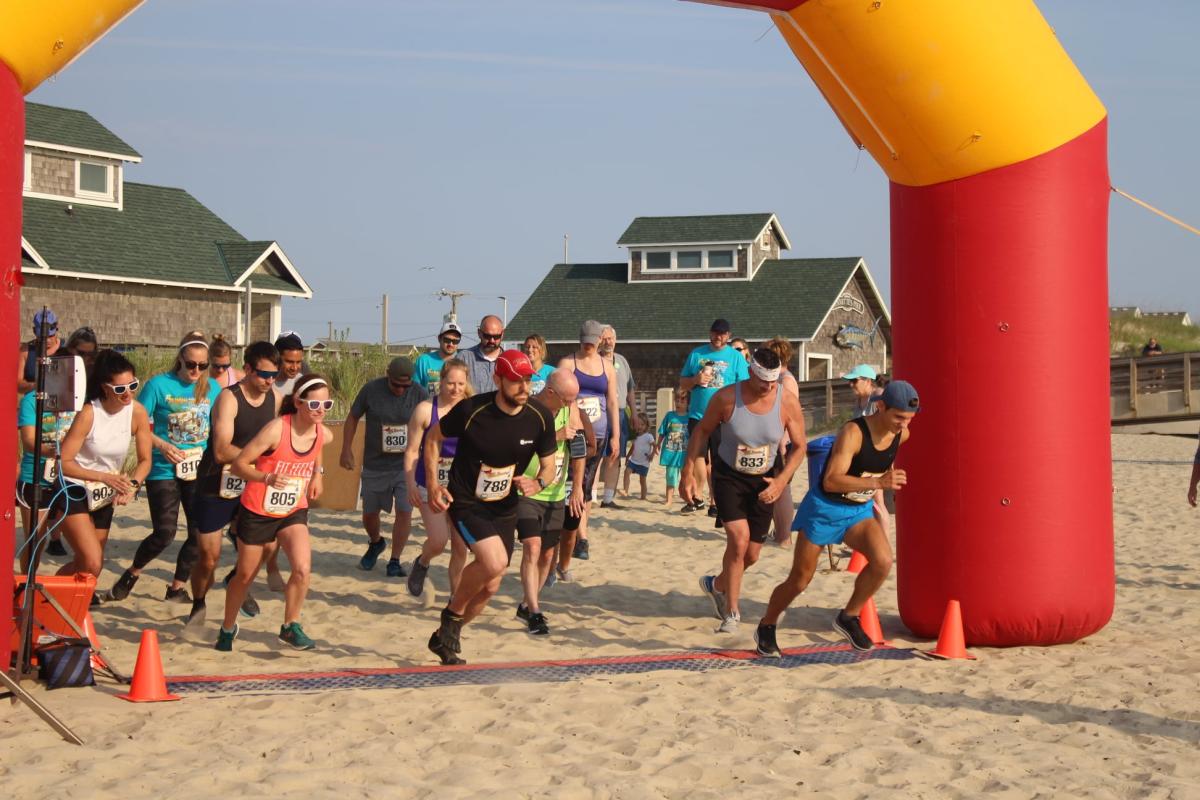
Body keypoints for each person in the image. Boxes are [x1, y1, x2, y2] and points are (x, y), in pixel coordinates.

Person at [754, 381, 919, 656]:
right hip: (825, 509)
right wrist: (878, 483)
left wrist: (879, 482)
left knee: (883, 562)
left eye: (909, 419)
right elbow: (830, 481)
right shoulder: (853, 432)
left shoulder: (901, 435)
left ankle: (848, 616)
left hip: (858, 511)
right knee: (799, 580)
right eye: (898, 417)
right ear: (881, 407)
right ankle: (767, 625)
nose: (903, 424)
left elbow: (878, 463)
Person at [424, 350, 557, 665]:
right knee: (495, 562)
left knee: (491, 586)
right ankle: (452, 615)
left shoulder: (539, 417)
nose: (524, 387)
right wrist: (432, 484)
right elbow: (433, 438)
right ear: (498, 379)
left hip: (505, 505)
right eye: (515, 381)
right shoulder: (472, 410)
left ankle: (444, 638)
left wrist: (538, 483)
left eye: (527, 380)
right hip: (466, 500)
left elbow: (549, 468)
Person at [685, 348, 808, 633]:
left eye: (774, 381)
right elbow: (701, 431)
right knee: (738, 542)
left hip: (764, 480)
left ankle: (716, 585)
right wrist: (687, 472)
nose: (768, 387)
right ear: (751, 372)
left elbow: (800, 447)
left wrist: (781, 481)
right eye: (764, 380)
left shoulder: (786, 402)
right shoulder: (727, 398)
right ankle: (732, 612)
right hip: (729, 476)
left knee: (752, 554)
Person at [218, 374, 333, 652]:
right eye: (314, 405)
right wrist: (265, 478)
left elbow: (319, 445)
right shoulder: (275, 430)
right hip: (258, 510)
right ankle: (228, 626)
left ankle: (290, 626)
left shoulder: (322, 432)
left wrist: (317, 474)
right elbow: (238, 466)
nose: (320, 411)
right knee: (245, 575)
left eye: (326, 405)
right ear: (298, 402)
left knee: (303, 568)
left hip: (292, 510)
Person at [107, 331, 221, 604]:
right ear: (179, 359)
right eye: (191, 364)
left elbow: (219, 426)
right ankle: (132, 574)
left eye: (202, 366)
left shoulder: (213, 388)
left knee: (199, 532)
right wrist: (161, 445)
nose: (196, 371)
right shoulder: (158, 385)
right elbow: (137, 425)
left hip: (196, 469)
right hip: (162, 469)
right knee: (165, 533)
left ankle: (176, 587)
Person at [186, 341, 283, 628]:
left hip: (251, 482)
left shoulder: (275, 398)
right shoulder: (229, 398)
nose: (269, 381)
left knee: (267, 547)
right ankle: (198, 602)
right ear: (248, 369)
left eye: (274, 375)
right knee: (208, 556)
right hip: (216, 482)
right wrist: (253, 462)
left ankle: (235, 580)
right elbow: (220, 450)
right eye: (263, 374)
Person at [56, 350, 152, 578]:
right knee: (92, 560)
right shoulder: (89, 413)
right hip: (74, 487)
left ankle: (66, 604)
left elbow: (145, 460)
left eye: (133, 385)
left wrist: (133, 485)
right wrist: (103, 477)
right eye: (120, 389)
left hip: (104, 492)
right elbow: (64, 463)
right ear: (104, 387)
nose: (128, 393)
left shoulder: (137, 412)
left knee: (90, 568)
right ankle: (50, 598)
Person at [514, 368, 590, 635]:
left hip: (556, 491)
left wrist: (578, 488)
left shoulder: (571, 410)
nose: (571, 404)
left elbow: (578, 450)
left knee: (547, 553)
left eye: (574, 399)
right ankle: (535, 611)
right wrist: (555, 436)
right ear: (549, 392)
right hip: (527, 489)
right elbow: (517, 444)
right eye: (567, 399)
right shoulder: (527, 411)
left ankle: (526, 603)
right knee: (532, 547)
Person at [341, 357, 429, 577]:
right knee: (370, 514)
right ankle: (376, 542)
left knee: (404, 510)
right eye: (396, 385)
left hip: (406, 466)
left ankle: (395, 560)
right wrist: (346, 448)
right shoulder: (371, 390)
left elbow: (432, 424)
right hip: (375, 463)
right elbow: (352, 417)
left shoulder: (419, 393)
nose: (400, 389)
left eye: (404, 386)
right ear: (387, 376)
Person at [404, 359, 472, 599]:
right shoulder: (425, 410)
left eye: (460, 384)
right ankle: (422, 562)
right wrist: (411, 483)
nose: (455, 389)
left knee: (460, 546)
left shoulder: (471, 409)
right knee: (438, 540)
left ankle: (455, 598)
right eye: (451, 383)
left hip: (461, 486)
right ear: (440, 382)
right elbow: (412, 450)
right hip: (428, 482)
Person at [556, 320, 619, 569]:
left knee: (588, 483)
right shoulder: (568, 363)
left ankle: (582, 534)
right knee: (572, 481)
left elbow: (612, 402)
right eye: (586, 343)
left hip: (600, 432)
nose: (589, 347)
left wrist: (616, 435)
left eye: (593, 343)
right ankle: (573, 532)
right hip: (575, 431)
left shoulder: (607, 366)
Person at [679, 318, 750, 516]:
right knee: (697, 456)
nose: (718, 337)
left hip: (724, 417)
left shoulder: (735, 358)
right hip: (698, 415)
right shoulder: (697, 353)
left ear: (728, 335)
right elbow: (683, 383)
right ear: (710, 333)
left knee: (720, 461)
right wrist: (695, 379)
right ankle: (698, 497)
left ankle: (716, 503)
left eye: (723, 334)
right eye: (715, 333)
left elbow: (744, 387)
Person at [841, 363, 891, 540]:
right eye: (850, 381)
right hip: (863, 456)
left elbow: (888, 427)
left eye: (854, 381)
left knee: (877, 501)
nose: (851, 385)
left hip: (876, 455)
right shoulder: (860, 401)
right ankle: (868, 542)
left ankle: (883, 542)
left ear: (868, 381)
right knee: (864, 501)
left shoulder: (877, 396)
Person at [764, 336, 800, 547]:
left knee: (782, 488)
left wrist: (782, 445)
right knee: (776, 488)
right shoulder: (779, 378)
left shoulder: (786, 380)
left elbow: (788, 415)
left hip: (783, 443)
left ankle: (784, 537)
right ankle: (779, 533)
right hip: (775, 441)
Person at [598, 325, 636, 509]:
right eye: (604, 338)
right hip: (600, 413)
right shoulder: (594, 361)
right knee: (596, 454)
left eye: (610, 338)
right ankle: (590, 495)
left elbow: (630, 389)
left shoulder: (622, 361)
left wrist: (634, 413)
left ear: (615, 339)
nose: (608, 342)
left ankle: (607, 498)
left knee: (615, 455)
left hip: (620, 414)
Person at [655, 390, 691, 507]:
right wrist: (658, 444)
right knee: (670, 476)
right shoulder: (670, 415)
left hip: (685, 454)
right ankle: (669, 499)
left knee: (686, 477)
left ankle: (688, 498)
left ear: (688, 402)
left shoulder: (690, 417)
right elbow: (662, 432)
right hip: (671, 453)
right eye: (677, 400)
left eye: (682, 400)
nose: (679, 402)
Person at [18, 308, 62, 394]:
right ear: (34, 332)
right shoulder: (26, 351)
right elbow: (17, 383)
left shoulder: (66, 349)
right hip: (33, 401)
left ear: (57, 329)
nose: (47, 340)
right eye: (43, 337)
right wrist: (34, 386)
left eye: (51, 336)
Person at [458, 315, 505, 394]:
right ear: (479, 333)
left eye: (496, 336)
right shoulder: (463, 358)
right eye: (487, 336)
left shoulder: (509, 361)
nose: (492, 340)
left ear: (502, 334)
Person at [414, 321, 462, 394]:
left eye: (455, 341)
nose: (451, 344)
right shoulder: (423, 361)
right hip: (428, 404)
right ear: (439, 338)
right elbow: (414, 390)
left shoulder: (461, 364)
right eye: (447, 340)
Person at [622, 414, 654, 501]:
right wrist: (628, 456)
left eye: (642, 424)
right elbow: (633, 447)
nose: (639, 426)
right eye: (638, 424)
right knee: (626, 472)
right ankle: (625, 491)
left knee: (642, 481)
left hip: (644, 462)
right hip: (634, 461)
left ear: (646, 426)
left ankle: (643, 497)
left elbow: (654, 446)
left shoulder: (649, 436)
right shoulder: (635, 436)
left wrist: (652, 455)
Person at [274, 331, 307, 396]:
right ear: (277, 358)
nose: (294, 368)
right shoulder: (264, 382)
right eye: (289, 362)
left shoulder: (303, 384)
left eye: (298, 362)